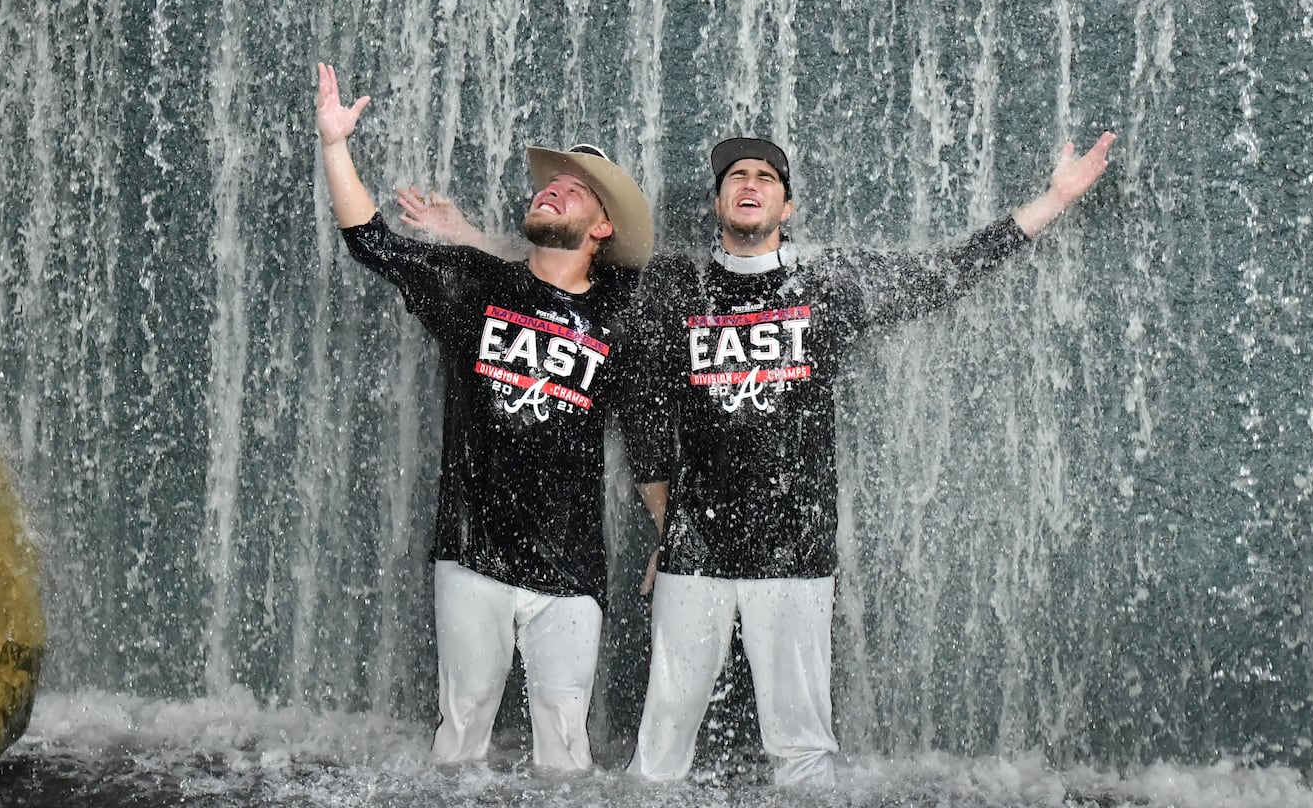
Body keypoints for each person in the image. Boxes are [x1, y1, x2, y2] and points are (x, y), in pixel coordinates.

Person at [624, 131, 1115, 786]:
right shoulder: (675, 287)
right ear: (716, 203)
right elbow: (642, 409)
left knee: (801, 752)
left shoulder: (826, 284)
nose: (749, 185)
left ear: (786, 208)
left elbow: (946, 274)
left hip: (793, 550)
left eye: (765, 179)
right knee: (658, 749)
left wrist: (1052, 200)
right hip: (695, 549)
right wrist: (666, 527)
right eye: (736, 177)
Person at [313, 62, 657, 771]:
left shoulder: (623, 312)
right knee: (462, 726)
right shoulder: (474, 286)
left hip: (571, 567)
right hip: (473, 553)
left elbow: (648, 431)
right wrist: (334, 145)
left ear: (602, 227)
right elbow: (371, 240)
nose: (553, 189)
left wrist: (667, 534)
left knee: (566, 744)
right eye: (548, 184)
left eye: (576, 192)